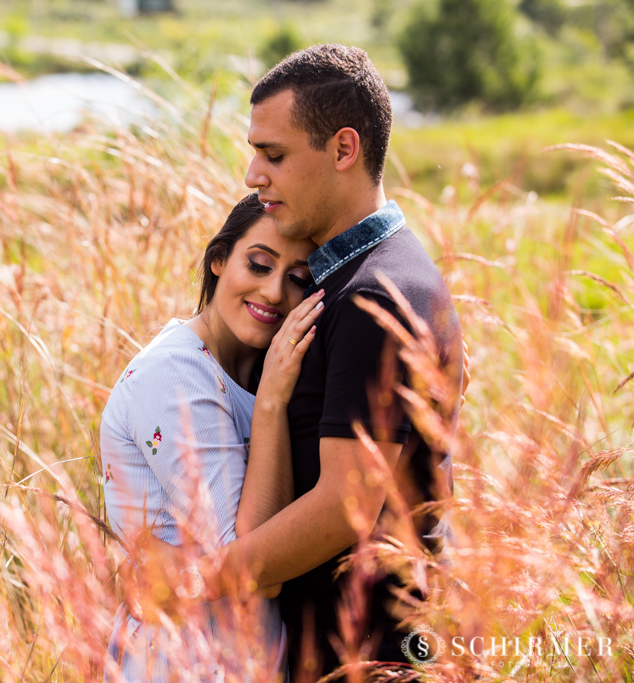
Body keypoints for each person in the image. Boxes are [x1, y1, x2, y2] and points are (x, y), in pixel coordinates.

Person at [126, 44, 465, 678]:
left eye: (273, 154)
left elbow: (347, 502)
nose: (253, 174)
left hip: (368, 654)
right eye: (255, 152)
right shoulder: (359, 280)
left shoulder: (374, 294)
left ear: (343, 150)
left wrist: (193, 584)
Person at [100, 194, 324, 681]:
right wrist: (269, 406)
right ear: (219, 259)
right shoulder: (176, 374)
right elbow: (254, 563)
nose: (272, 292)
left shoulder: (266, 367)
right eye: (259, 264)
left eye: (297, 279)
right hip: (182, 663)